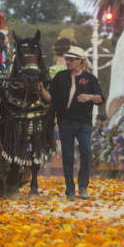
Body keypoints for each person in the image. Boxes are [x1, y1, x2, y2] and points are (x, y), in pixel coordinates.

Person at [45, 46, 104, 200]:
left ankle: (83, 186)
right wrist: (40, 89)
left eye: (71, 59)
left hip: (84, 123)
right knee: (68, 156)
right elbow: (50, 97)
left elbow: (100, 98)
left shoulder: (90, 78)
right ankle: (70, 189)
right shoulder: (60, 77)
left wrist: (89, 97)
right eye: (67, 59)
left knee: (86, 152)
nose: (68, 62)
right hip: (65, 122)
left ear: (80, 61)